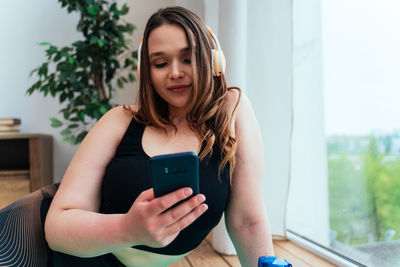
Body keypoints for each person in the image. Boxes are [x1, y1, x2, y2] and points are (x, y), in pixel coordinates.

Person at [44, 6, 274, 266]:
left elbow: (247, 222)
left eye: (188, 58)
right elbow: (56, 229)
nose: (175, 72)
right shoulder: (119, 121)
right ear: (147, 72)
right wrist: (126, 229)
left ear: (214, 62)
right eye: (160, 63)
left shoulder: (233, 111)